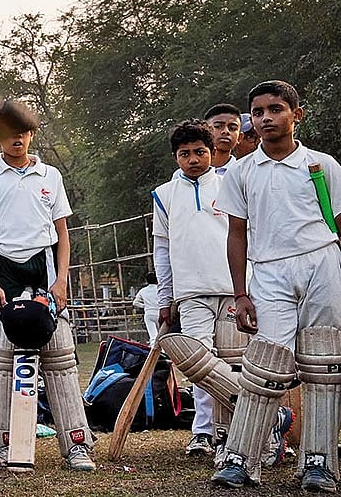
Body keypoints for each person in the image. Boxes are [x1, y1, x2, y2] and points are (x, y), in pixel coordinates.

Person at [211, 80, 341, 491]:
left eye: (276, 109)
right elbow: (236, 233)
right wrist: (240, 293)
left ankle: (319, 461)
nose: (266, 118)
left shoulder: (322, 165)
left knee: (324, 363)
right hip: (268, 271)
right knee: (265, 363)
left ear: (296, 115)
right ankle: (240, 459)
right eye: (259, 111)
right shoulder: (240, 170)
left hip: (322, 261)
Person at [150, 120, 293, 463]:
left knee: (235, 364)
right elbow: (162, 250)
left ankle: (240, 437)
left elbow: (249, 237)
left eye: (200, 152)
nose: (193, 159)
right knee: (200, 366)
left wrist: (249, 288)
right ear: (176, 158)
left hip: (232, 289)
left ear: (212, 152)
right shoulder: (164, 195)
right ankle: (233, 427)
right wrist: (166, 297)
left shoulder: (232, 184)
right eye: (185, 154)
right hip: (190, 293)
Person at [0, 126, 96, 472]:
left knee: (59, 355)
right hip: (4, 267)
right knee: (5, 357)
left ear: (31, 136)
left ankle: (76, 444)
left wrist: (62, 280)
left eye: (23, 133)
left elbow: (63, 233)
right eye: (10, 133)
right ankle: (3, 446)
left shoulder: (50, 175)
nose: (17, 139)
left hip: (43, 263)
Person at [203, 104, 242, 175]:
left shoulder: (243, 172)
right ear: (205, 131)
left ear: (240, 137)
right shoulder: (183, 174)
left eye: (232, 128)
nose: (226, 131)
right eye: (218, 126)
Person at [131, 271, 160, 345]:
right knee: (161, 334)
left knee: (153, 335)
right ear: (156, 279)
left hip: (149, 313)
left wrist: (145, 306)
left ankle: (153, 350)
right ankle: (163, 351)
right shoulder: (159, 289)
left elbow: (135, 302)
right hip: (159, 312)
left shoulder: (143, 291)